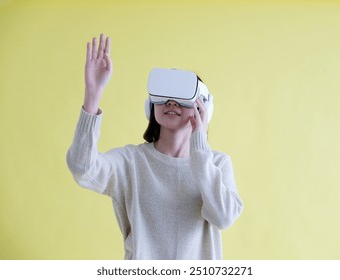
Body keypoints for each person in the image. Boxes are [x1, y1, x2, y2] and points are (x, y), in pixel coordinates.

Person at [66, 34, 243, 260]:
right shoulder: (131, 162)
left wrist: (199, 149)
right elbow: (82, 169)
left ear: (203, 106)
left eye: (182, 96)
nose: (171, 102)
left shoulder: (217, 163)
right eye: (163, 95)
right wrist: (92, 95)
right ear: (151, 105)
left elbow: (224, 217)